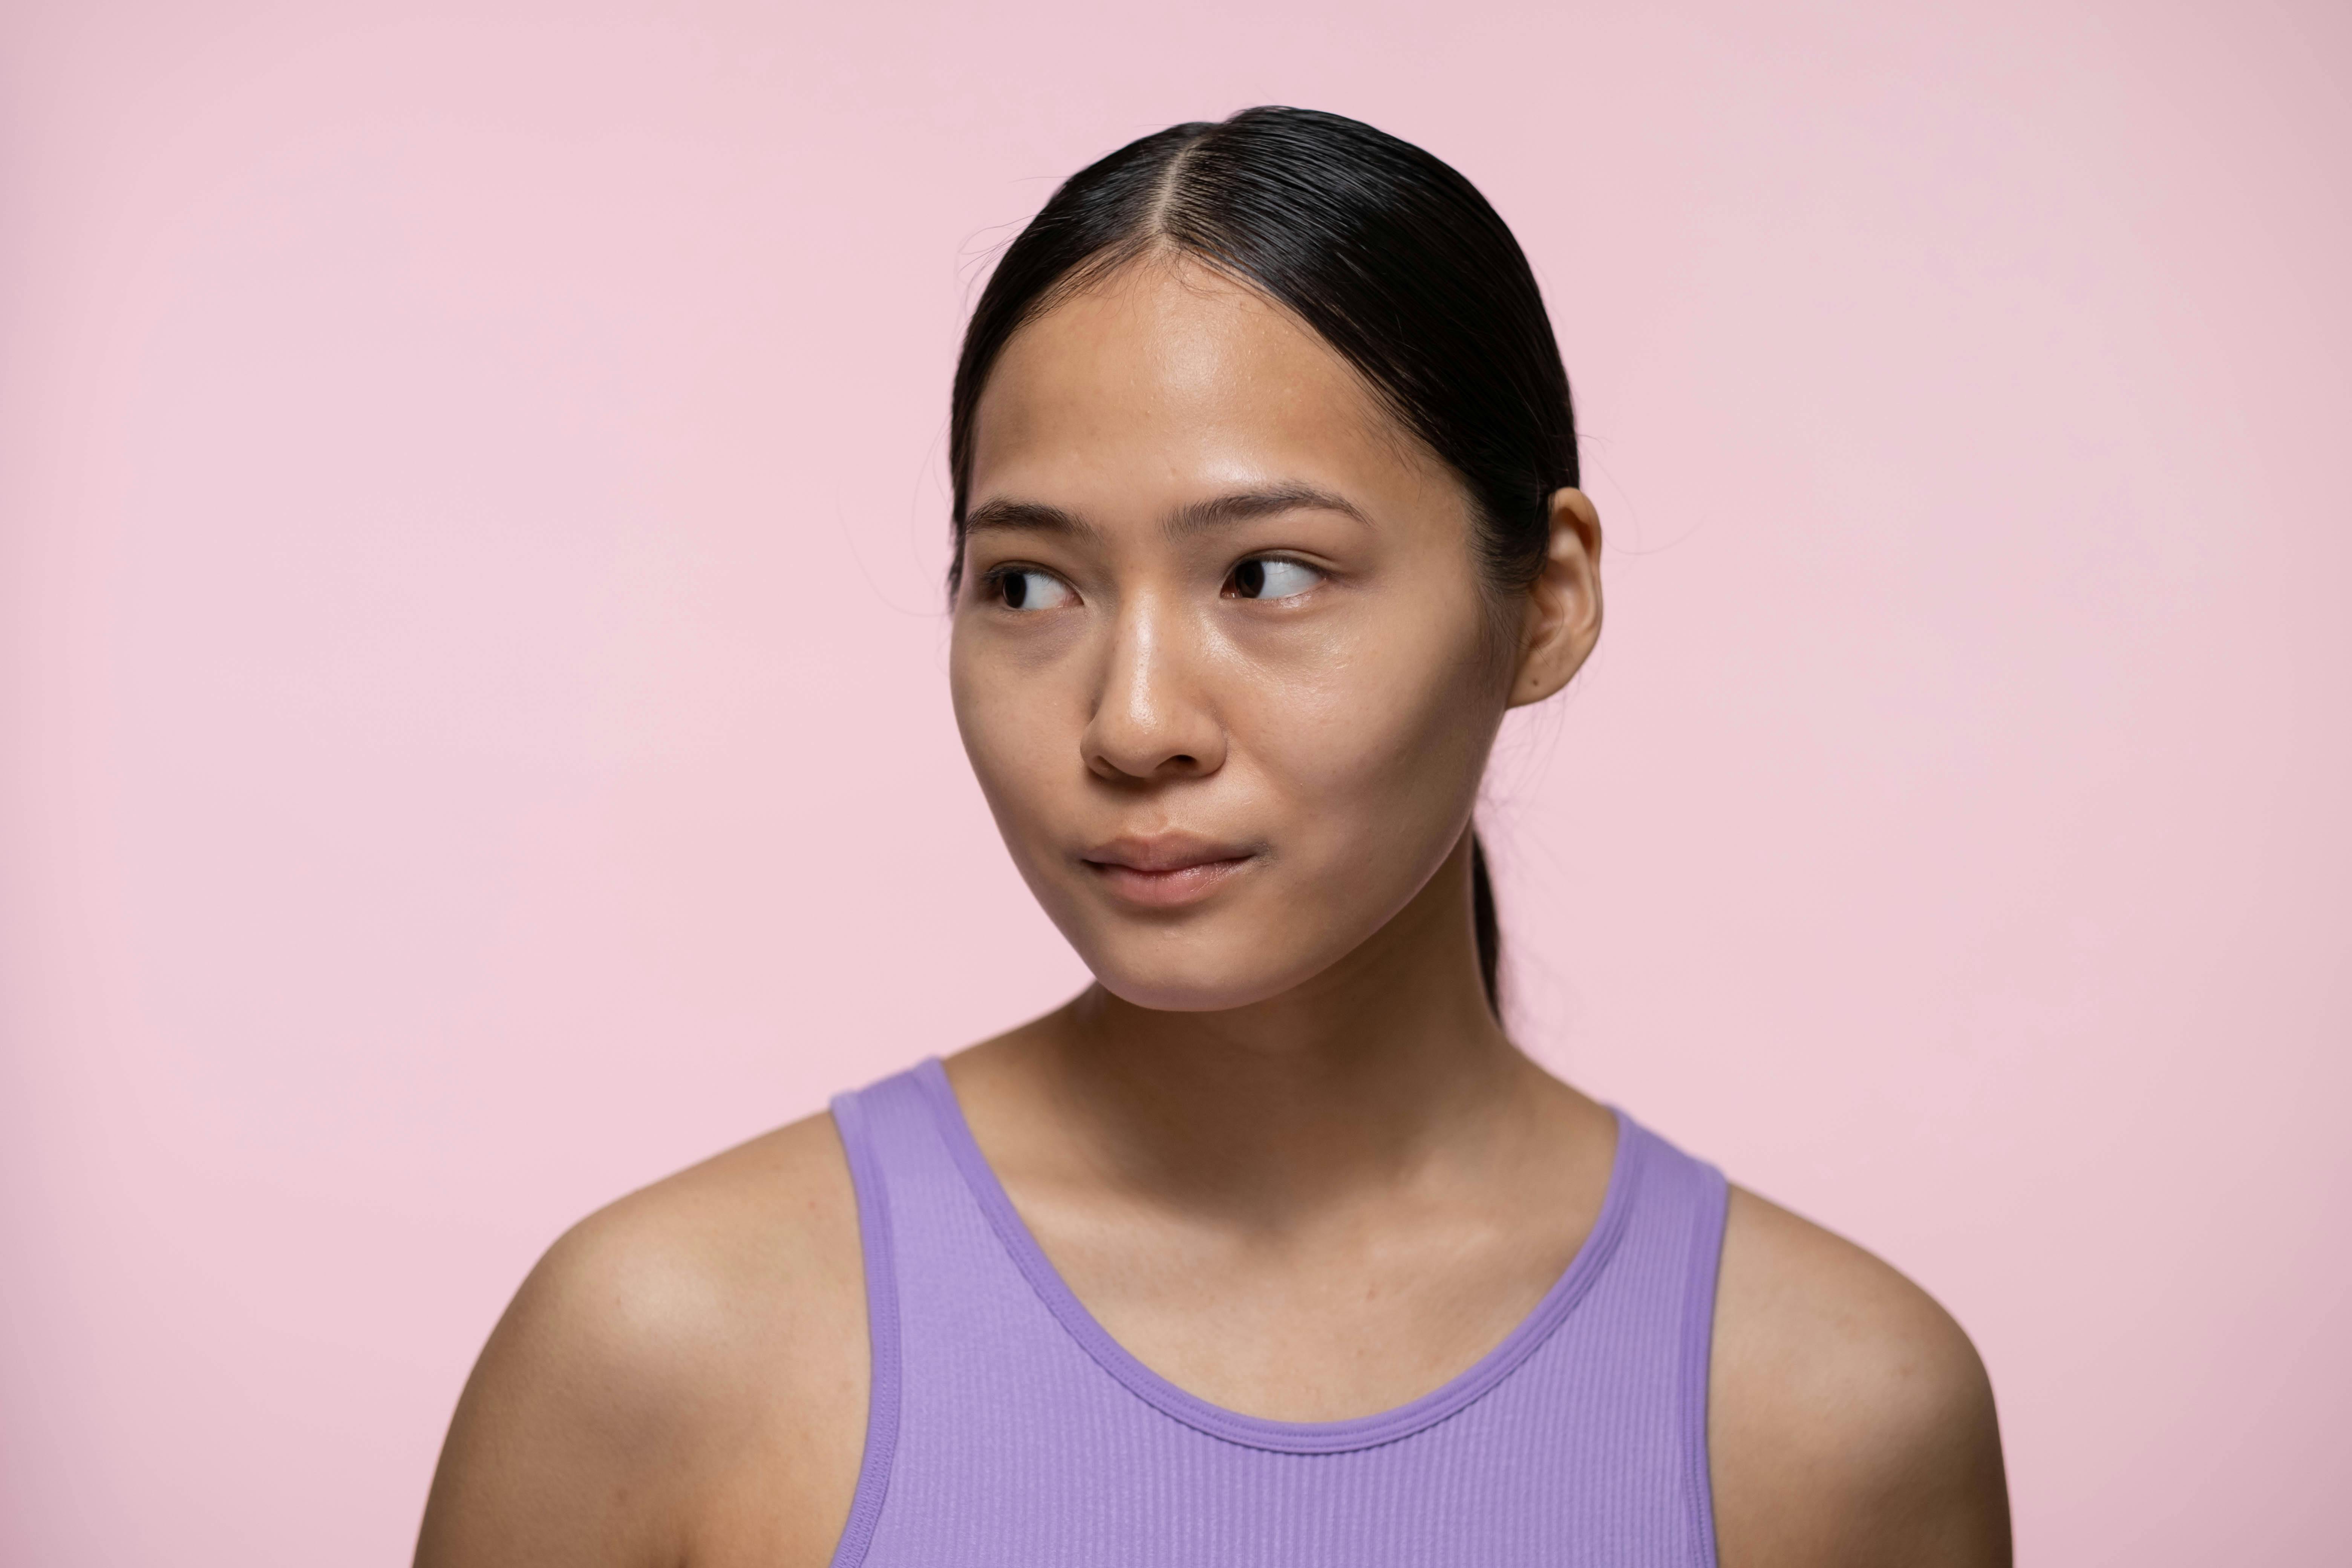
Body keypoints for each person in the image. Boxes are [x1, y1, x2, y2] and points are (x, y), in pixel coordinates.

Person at [414, 107, 2010, 1568]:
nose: (1131, 720)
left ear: (1548, 599)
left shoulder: (1829, 1415)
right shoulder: (665, 1347)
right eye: (1029, 584)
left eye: (1267, 575)